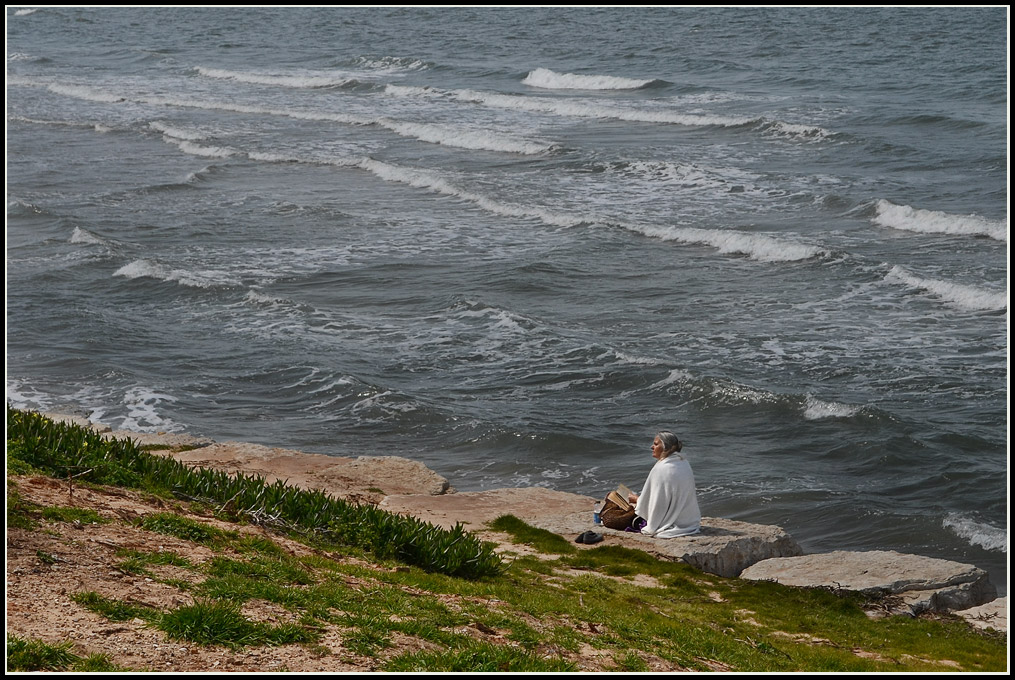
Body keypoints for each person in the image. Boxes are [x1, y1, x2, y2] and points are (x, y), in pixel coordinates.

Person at [626, 431, 701, 537]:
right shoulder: (683, 462)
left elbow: (658, 505)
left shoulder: (662, 468)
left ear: (666, 447)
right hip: (688, 521)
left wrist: (637, 500)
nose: (652, 447)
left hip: (669, 522)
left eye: (656, 444)